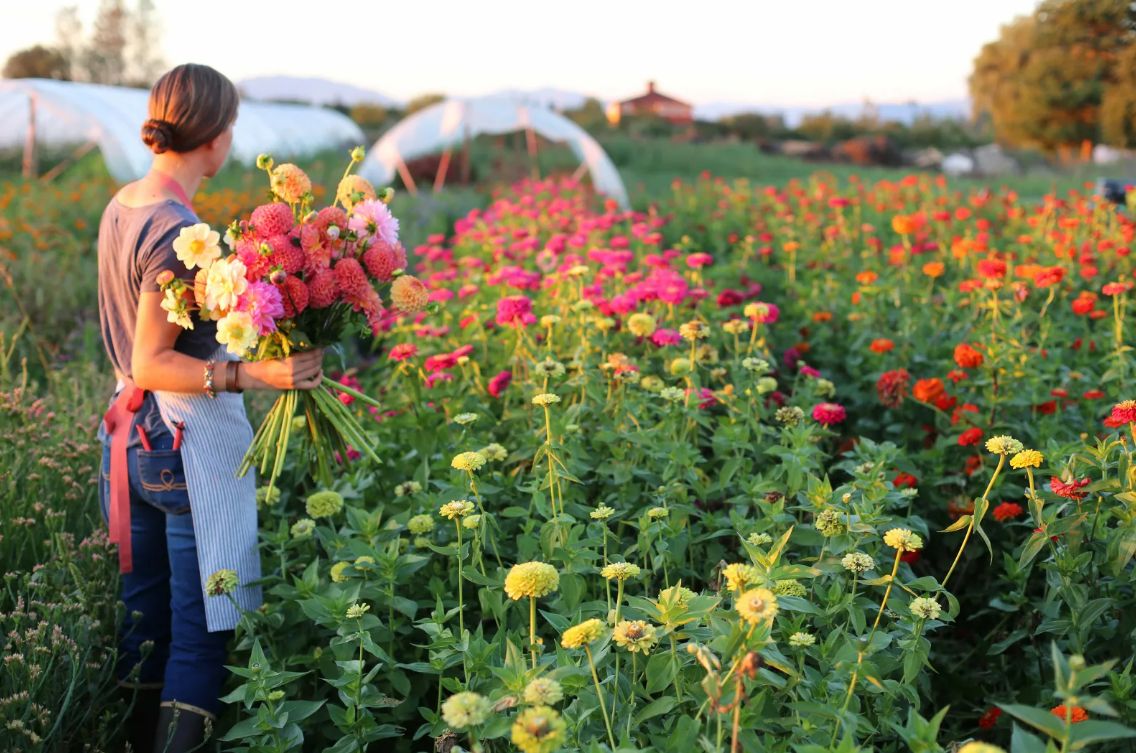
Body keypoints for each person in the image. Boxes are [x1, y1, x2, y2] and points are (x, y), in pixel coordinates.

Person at [95, 63, 323, 753]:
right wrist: (259, 371)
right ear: (218, 139)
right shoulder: (176, 229)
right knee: (203, 632)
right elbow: (151, 361)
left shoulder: (122, 204)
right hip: (177, 440)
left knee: (146, 628)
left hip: (130, 440)